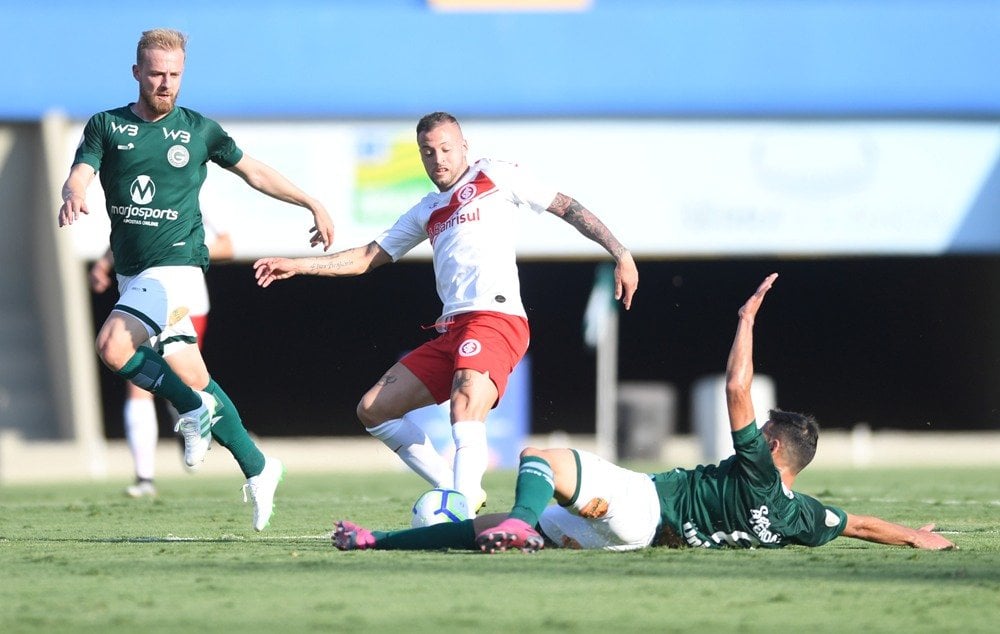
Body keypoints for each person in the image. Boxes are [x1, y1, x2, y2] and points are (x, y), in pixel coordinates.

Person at [332, 274, 957, 552]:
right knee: (485, 526)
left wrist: (745, 321)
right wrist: (919, 536)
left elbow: (738, 390)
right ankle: (376, 541)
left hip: (645, 504)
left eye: (759, 433)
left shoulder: (758, 473)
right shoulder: (796, 516)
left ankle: (522, 524)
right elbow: (858, 525)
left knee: (539, 459)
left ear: (772, 451)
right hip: (629, 539)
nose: (750, 434)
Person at [254, 111, 639, 514]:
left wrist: (620, 252)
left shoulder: (495, 175)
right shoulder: (427, 209)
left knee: (465, 398)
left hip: (496, 317)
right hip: (451, 328)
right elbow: (368, 256)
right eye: (428, 152)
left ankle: (462, 500)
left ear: (464, 148)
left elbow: (566, 206)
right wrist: (298, 265)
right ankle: (453, 492)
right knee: (373, 409)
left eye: (446, 149)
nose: (438, 159)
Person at [58, 28, 334, 530]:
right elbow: (82, 170)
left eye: (174, 75)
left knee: (113, 347)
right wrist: (72, 191)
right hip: (134, 274)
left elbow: (254, 171)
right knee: (194, 377)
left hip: (179, 269)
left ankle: (190, 412)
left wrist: (311, 201)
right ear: (137, 72)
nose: (165, 84)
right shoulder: (107, 125)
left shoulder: (199, 130)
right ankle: (259, 466)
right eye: (157, 74)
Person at [89, 212, 233, 498]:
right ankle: (144, 477)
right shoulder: (139, 185)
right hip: (144, 294)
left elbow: (228, 247)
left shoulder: (197, 189)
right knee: (139, 382)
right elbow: (132, 234)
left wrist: (181, 250)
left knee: (184, 378)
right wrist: (105, 263)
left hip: (186, 301)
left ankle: (195, 424)